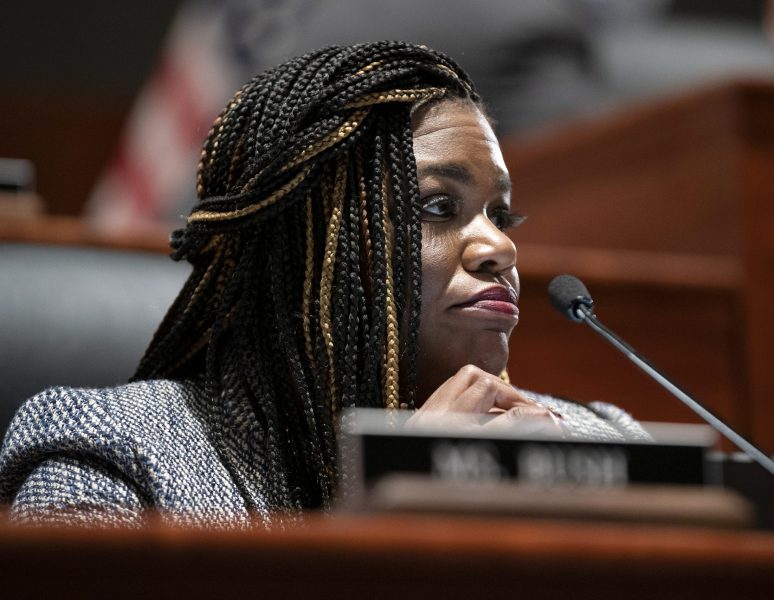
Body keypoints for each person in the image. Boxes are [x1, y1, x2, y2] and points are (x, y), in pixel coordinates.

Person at [0, 41, 648, 528]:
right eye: (435, 207)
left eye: (500, 215)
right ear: (305, 242)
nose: (501, 247)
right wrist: (387, 519)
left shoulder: (603, 442)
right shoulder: (119, 457)